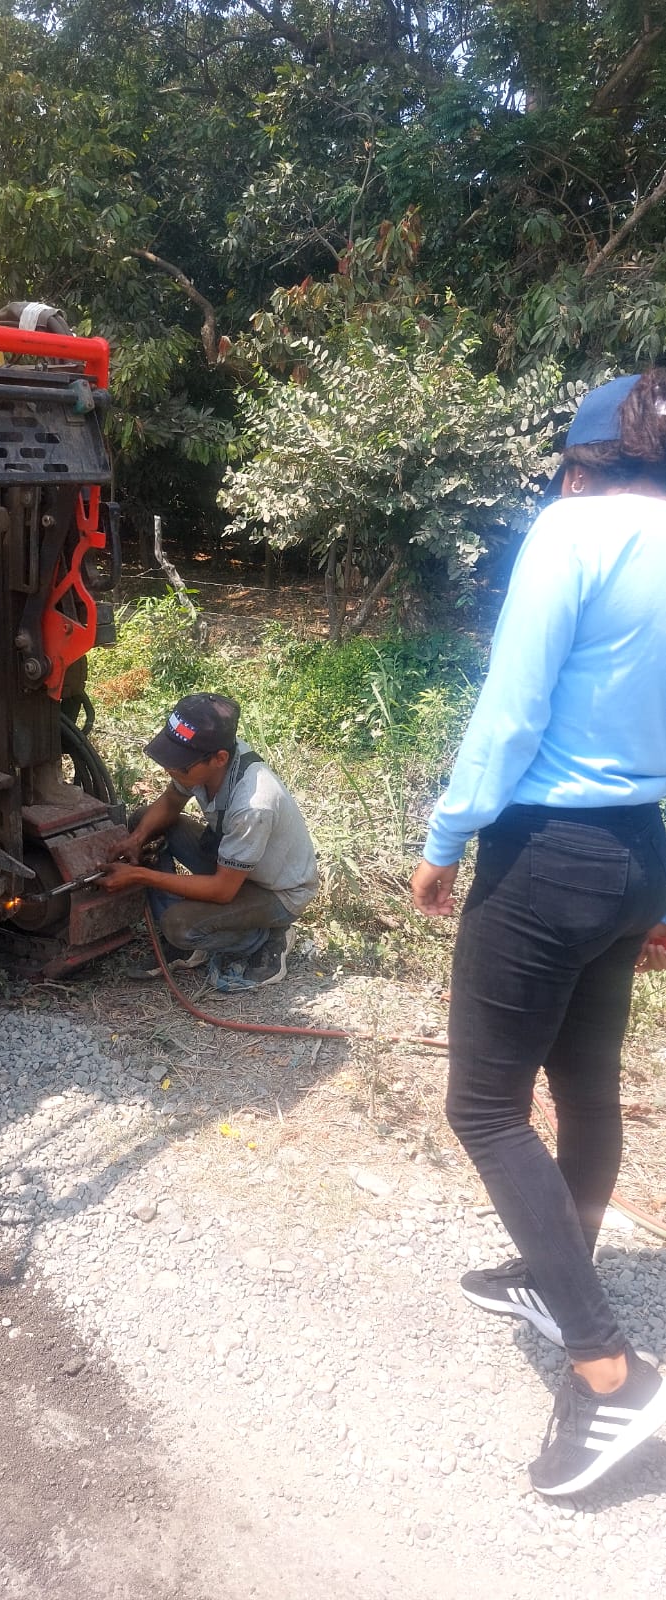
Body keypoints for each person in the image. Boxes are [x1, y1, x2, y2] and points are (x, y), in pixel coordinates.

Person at [411, 371, 666, 1498]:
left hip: (548, 854)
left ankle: (609, 1374)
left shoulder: (572, 532)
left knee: (482, 1106)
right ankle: (553, 1274)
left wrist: (445, 835)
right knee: (585, 1083)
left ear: (576, 465)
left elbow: (510, 711)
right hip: (639, 850)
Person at [101, 692, 318, 987]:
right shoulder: (209, 756)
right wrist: (136, 839)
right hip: (237, 865)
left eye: (181, 765)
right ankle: (186, 942)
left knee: (178, 925)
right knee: (145, 821)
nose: (170, 769)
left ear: (219, 759)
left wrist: (140, 875)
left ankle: (266, 937)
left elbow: (222, 890)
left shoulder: (253, 805)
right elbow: (172, 799)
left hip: (277, 891)